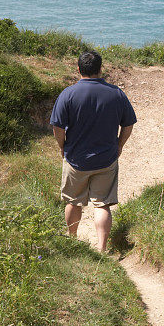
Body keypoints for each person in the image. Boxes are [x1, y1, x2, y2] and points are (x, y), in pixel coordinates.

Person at [50, 50, 137, 252]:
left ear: (78, 69)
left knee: (73, 202)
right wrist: (119, 145)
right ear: (100, 69)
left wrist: (62, 146)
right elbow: (129, 124)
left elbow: (57, 127)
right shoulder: (116, 93)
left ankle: (72, 240)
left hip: (75, 159)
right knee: (102, 205)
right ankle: (101, 249)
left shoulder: (68, 94)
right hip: (106, 159)